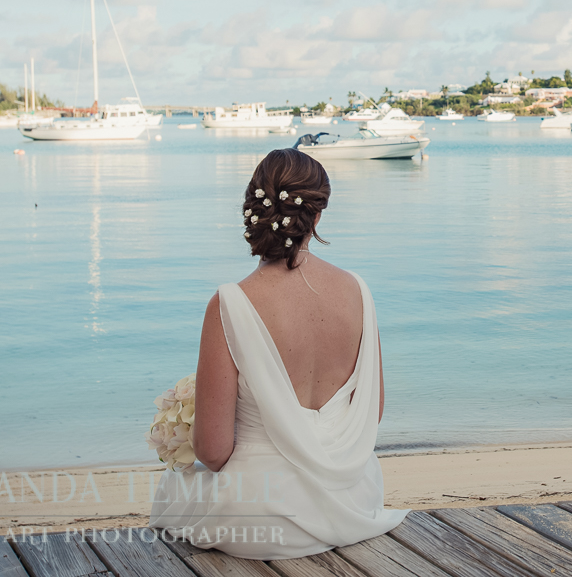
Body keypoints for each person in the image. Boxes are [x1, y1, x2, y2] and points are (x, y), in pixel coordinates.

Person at [149, 148, 407, 559]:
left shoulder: (230, 304)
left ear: (252, 209)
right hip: (353, 500)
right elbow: (370, 414)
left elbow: (213, 453)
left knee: (172, 489)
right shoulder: (358, 291)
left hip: (259, 514)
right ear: (317, 216)